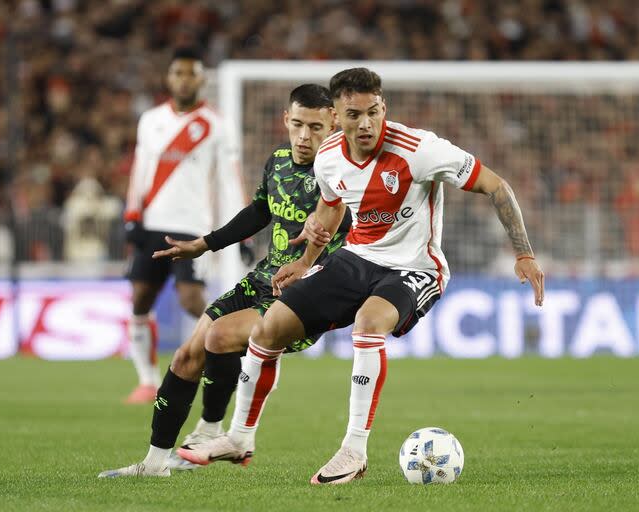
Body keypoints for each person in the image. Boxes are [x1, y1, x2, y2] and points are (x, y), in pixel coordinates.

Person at [177, 68, 545, 484]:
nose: (366, 123)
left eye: (373, 112)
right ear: (337, 115)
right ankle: (240, 438)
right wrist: (305, 261)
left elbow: (496, 185)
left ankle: (353, 450)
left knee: (369, 324)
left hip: (415, 267)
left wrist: (523, 253)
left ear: (383, 107)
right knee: (269, 327)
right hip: (357, 259)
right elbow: (331, 208)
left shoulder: (419, 149)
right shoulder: (329, 156)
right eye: (354, 115)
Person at [99, 84, 349, 477]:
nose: (304, 136)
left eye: (315, 127)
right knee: (186, 357)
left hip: (306, 290)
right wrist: (204, 244)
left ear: (333, 122)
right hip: (264, 278)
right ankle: (154, 464)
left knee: (221, 337)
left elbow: (349, 222)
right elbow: (257, 213)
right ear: (285, 120)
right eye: (297, 124)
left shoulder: (344, 171)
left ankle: (218, 428)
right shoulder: (279, 161)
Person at [121, 47, 245, 404]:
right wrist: (132, 216)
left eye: (191, 73)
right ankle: (147, 380)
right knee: (140, 298)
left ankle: (225, 358)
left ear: (202, 80)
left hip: (195, 229)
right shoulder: (151, 120)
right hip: (151, 225)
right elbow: (139, 171)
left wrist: (239, 228)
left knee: (192, 299)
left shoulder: (217, 124)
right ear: (169, 78)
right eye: (178, 73)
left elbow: (228, 180)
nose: (184, 79)